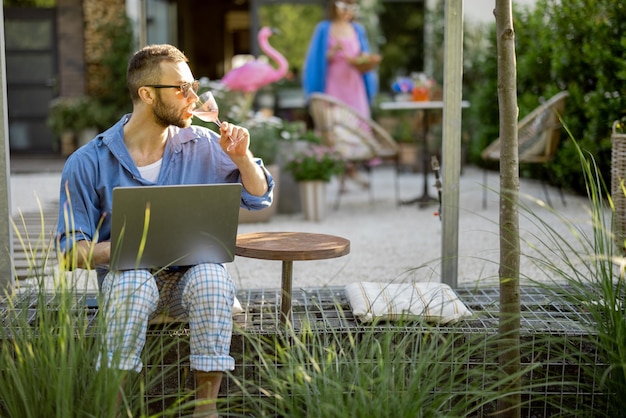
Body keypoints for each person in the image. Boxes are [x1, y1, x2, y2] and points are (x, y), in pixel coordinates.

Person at [55, 44, 274, 418]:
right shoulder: (88, 161)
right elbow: (70, 252)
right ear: (147, 94)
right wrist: (136, 247)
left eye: (194, 86)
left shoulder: (204, 144)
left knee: (212, 278)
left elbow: (259, 197)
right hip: (129, 282)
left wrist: (241, 158)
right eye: (181, 88)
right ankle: (115, 410)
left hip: (188, 285)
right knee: (132, 283)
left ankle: (205, 411)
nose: (193, 97)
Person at [303, 0, 381, 189]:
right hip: (334, 84)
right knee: (337, 126)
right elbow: (317, 60)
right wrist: (332, 53)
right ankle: (343, 173)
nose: (349, 11)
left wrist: (364, 61)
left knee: (357, 124)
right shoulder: (324, 28)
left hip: (354, 84)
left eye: (352, 7)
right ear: (335, 7)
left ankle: (351, 171)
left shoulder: (357, 29)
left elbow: (363, 55)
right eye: (345, 6)